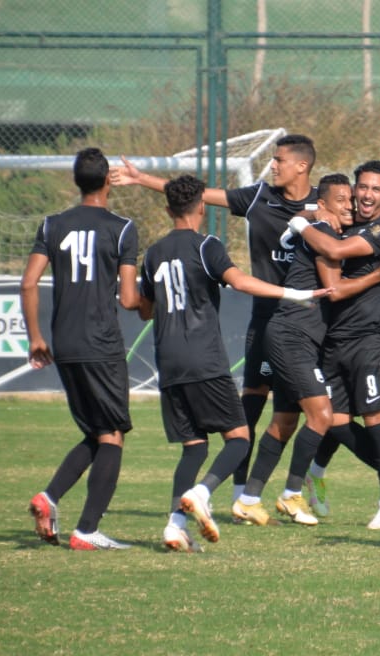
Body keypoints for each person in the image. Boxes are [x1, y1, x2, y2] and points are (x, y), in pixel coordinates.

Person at [111, 135, 321, 507]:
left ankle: (291, 490)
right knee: (250, 408)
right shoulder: (258, 197)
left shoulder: (324, 201)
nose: (272, 165)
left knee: (303, 413)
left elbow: (361, 220)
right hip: (266, 320)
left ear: (302, 165)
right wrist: (142, 179)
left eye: (279, 160)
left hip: (308, 323)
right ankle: (243, 495)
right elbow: (199, 196)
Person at [137, 175, 331, 552]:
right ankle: (202, 493)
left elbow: (143, 309)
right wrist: (295, 293)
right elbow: (240, 282)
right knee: (239, 439)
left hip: (168, 362)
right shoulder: (206, 245)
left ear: (168, 209)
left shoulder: (154, 253)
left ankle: (175, 526)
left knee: (194, 448)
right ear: (201, 206)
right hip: (203, 359)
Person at [231, 173, 380, 527]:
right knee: (322, 415)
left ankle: (248, 499)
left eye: (351, 199)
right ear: (322, 204)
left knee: (285, 421)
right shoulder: (323, 234)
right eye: (343, 200)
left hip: (296, 335)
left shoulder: (326, 228)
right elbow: (334, 289)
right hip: (293, 335)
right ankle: (292, 493)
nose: (351, 205)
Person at [287, 160, 380, 530]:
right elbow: (316, 216)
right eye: (362, 187)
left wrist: (303, 225)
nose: (367, 195)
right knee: (335, 421)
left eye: (376, 189)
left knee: (375, 417)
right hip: (334, 339)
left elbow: (335, 252)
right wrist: (310, 215)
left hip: (369, 339)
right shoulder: (344, 223)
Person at [22, 147, 140, 551]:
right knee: (113, 435)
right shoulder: (122, 228)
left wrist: (36, 337)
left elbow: (28, 282)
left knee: (97, 431)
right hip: (101, 343)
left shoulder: (52, 225)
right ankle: (87, 530)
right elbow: (128, 298)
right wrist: (153, 302)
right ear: (108, 181)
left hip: (65, 342)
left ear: (76, 182)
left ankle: (49, 497)